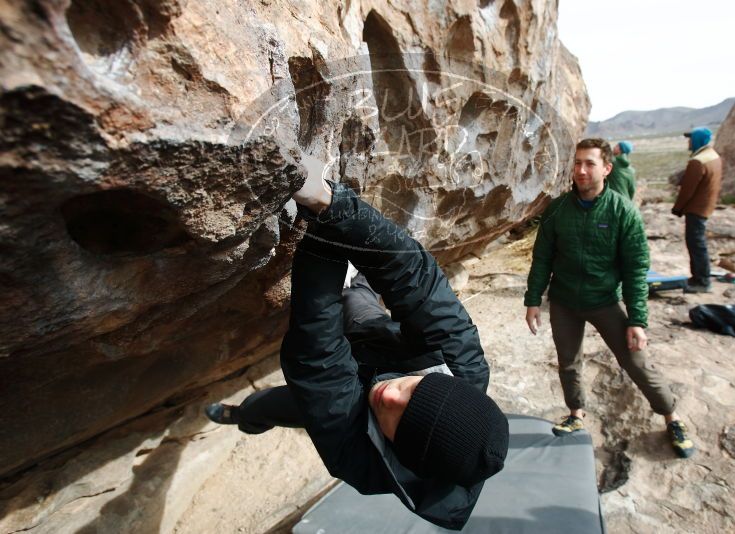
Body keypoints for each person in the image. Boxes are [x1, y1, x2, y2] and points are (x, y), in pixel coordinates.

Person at [205, 154, 509, 530]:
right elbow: (416, 277)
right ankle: (355, 273)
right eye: (418, 392)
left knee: (271, 404)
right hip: (382, 345)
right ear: (446, 380)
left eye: (403, 419)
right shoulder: (464, 364)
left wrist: (320, 236)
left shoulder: (359, 460)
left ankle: (242, 418)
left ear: (401, 451)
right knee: (357, 298)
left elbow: (317, 352)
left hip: (343, 405)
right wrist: (330, 204)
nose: (393, 396)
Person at [523, 138, 695, 459]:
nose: (582, 170)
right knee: (568, 361)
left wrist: (637, 321)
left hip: (604, 300)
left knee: (635, 360)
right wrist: (533, 299)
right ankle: (576, 414)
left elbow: (635, 268)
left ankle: (672, 417)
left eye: (589, 163)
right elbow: (542, 258)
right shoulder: (557, 209)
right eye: (577, 163)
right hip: (563, 301)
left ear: (606, 168)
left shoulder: (623, 211)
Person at [672, 126, 723, 293]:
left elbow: (688, 189)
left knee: (696, 244)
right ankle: (700, 277)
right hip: (706, 206)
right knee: (698, 243)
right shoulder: (713, 156)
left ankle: (701, 280)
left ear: (697, 140)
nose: (688, 142)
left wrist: (678, 208)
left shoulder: (698, 161)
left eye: (691, 139)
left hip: (696, 208)